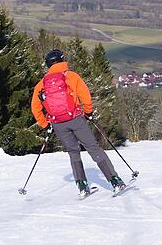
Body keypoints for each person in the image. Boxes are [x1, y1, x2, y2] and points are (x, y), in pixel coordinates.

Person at [31, 49, 126, 197]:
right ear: (63, 60)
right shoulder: (72, 76)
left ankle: (82, 186)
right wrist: (88, 112)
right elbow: (85, 95)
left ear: (48, 64)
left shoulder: (42, 84)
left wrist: (45, 124)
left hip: (58, 124)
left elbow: (35, 107)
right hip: (75, 119)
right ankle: (115, 181)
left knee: (73, 152)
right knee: (93, 148)